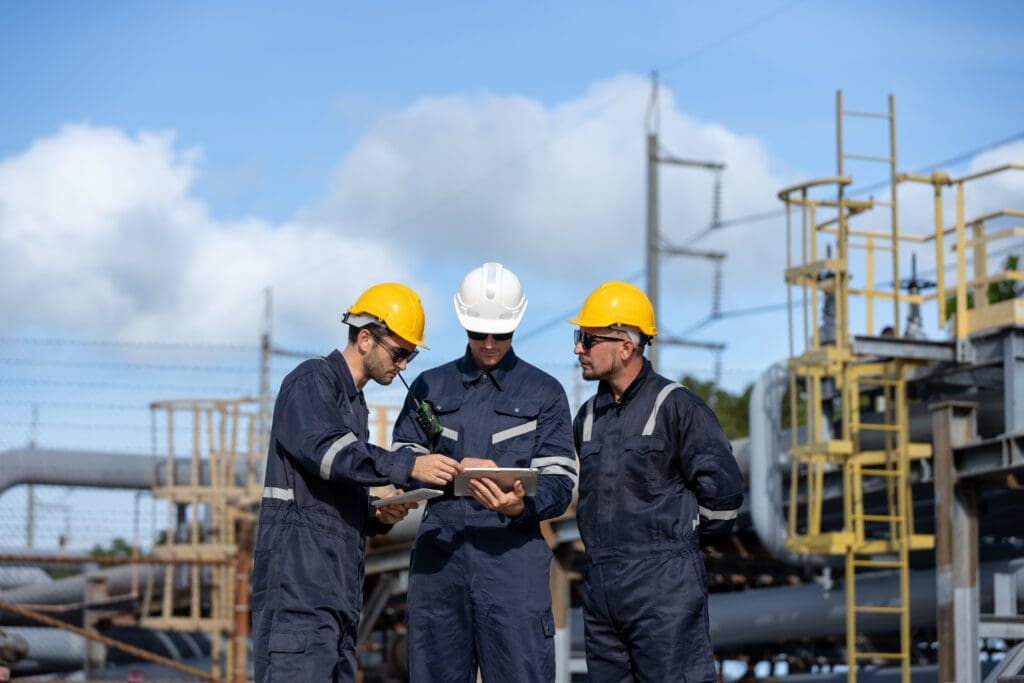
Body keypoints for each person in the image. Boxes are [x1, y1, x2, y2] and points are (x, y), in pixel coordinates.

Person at [251, 283, 463, 683]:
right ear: (365, 339)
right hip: (298, 598)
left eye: (411, 356)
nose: (404, 366)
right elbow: (327, 452)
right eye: (399, 353)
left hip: (336, 601)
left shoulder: (354, 405)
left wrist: (375, 515)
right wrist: (409, 465)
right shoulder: (312, 381)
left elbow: (325, 500)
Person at [391, 262, 577, 682]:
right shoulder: (428, 387)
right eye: (478, 333)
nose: (490, 344)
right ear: (463, 323)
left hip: (511, 560)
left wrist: (519, 505)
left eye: (501, 334)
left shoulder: (544, 393)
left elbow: (560, 481)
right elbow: (403, 455)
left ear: (516, 323)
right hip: (440, 561)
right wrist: (431, 468)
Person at [568, 281, 744, 683]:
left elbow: (723, 496)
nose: (578, 349)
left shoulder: (678, 407)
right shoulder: (587, 417)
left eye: (588, 339)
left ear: (625, 346)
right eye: (578, 337)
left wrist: (683, 544)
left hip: (665, 588)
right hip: (602, 587)